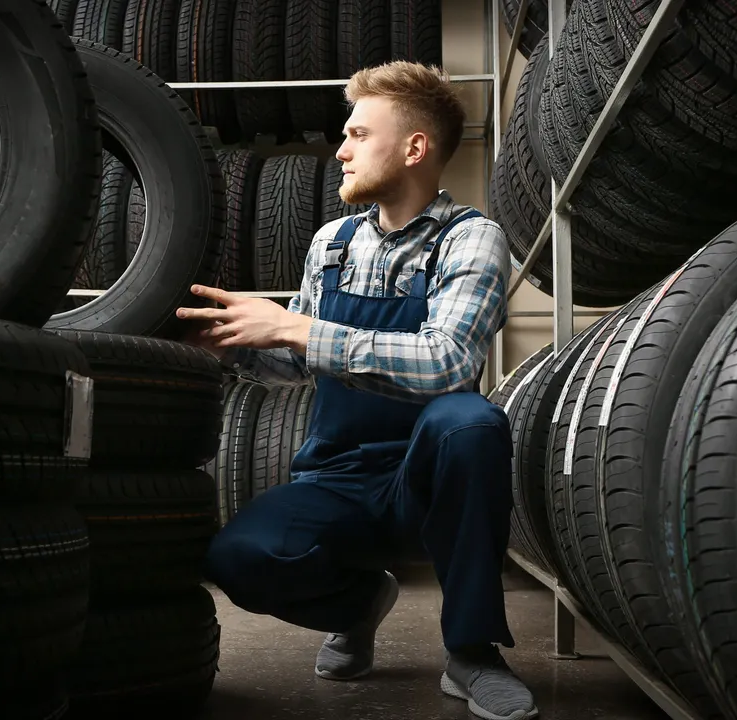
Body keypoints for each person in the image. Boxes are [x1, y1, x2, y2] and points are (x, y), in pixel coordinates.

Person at [176, 60, 537, 720]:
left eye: (357, 134)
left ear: (414, 147)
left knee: (471, 419)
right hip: (337, 480)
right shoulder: (331, 244)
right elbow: (302, 365)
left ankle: (472, 650)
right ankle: (360, 604)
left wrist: (298, 328)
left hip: (424, 484)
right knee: (237, 558)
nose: (340, 149)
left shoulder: (471, 240)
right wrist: (246, 347)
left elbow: (448, 361)